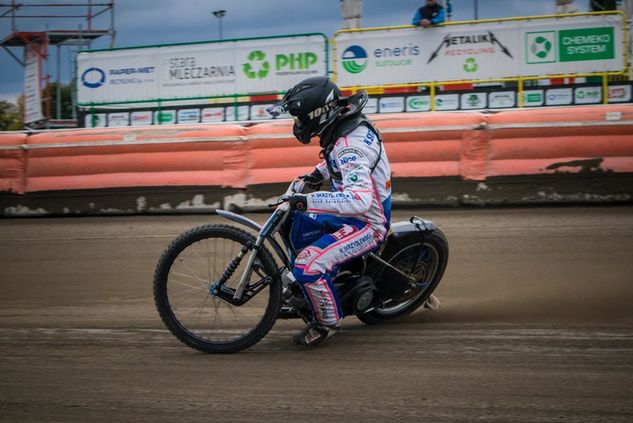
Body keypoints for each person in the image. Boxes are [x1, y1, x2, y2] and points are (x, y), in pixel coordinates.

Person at [267, 77, 392, 347]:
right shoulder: (345, 128)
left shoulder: (350, 147)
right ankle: (313, 288)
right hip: (348, 213)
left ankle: (326, 323)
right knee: (294, 223)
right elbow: (338, 163)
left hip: (367, 224)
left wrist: (306, 201)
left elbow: (358, 200)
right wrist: (316, 175)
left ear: (317, 115)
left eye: (300, 118)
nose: (298, 123)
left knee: (307, 265)